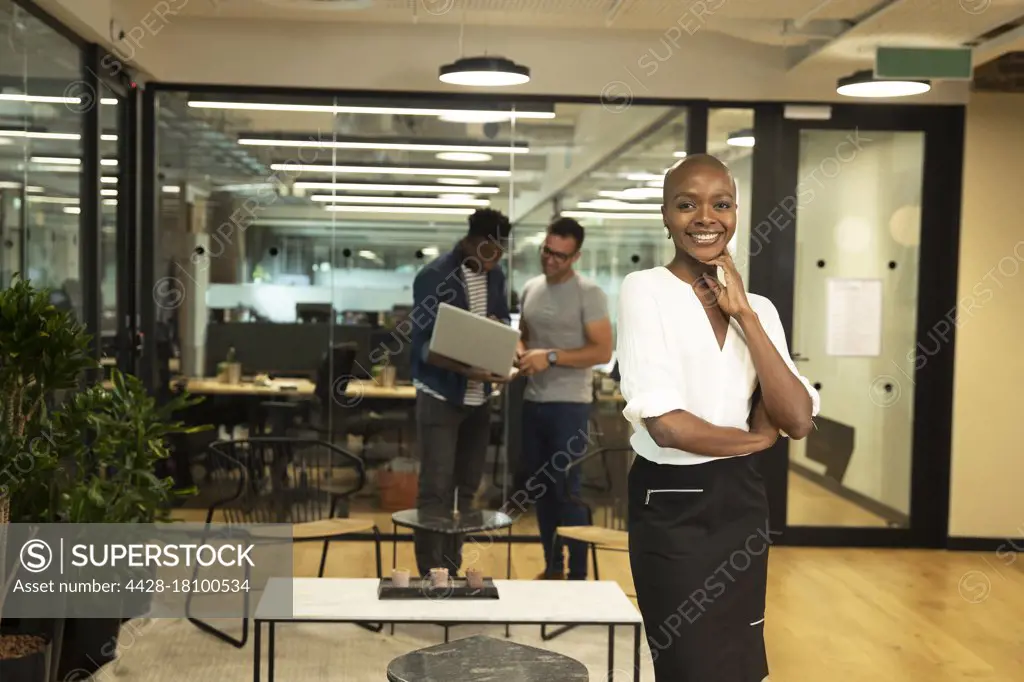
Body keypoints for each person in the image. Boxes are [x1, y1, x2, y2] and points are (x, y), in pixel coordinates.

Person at [617, 154, 820, 681]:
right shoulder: (646, 290)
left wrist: (746, 315)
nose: (705, 218)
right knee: (687, 663)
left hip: (741, 503)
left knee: (740, 664)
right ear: (666, 215)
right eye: (687, 205)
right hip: (670, 504)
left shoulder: (763, 310)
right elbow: (667, 426)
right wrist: (756, 438)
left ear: (735, 212)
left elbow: (796, 419)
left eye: (721, 204)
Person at [409, 208, 516, 578]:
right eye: (491, 253)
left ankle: (451, 569)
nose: (495, 261)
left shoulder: (496, 275)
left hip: (479, 397)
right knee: (436, 489)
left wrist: (501, 344)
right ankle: (429, 573)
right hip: (440, 394)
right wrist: (465, 367)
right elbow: (422, 346)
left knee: (466, 489)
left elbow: (500, 321)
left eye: (501, 254)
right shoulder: (434, 276)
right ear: (474, 242)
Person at [516, 217, 613, 580]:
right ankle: (553, 567)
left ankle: (578, 575)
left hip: (569, 405)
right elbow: (523, 334)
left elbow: (602, 351)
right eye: (546, 251)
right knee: (542, 490)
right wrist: (521, 350)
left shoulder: (589, 293)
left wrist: (551, 356)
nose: (550, 260)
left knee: (567, 492)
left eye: (560, 255)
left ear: (575, 257)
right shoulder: (530, 288)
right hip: (533, 401)